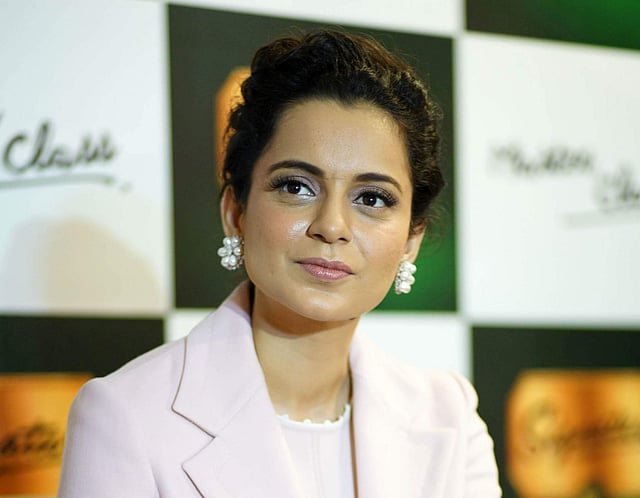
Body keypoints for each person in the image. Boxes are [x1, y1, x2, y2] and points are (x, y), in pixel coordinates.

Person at [58, 29, 501, 497]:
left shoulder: (450, 418)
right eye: (296, 187)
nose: (332, 226)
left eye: (372, 198)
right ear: (236, 213)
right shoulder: (127, 416)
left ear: (411, 239)